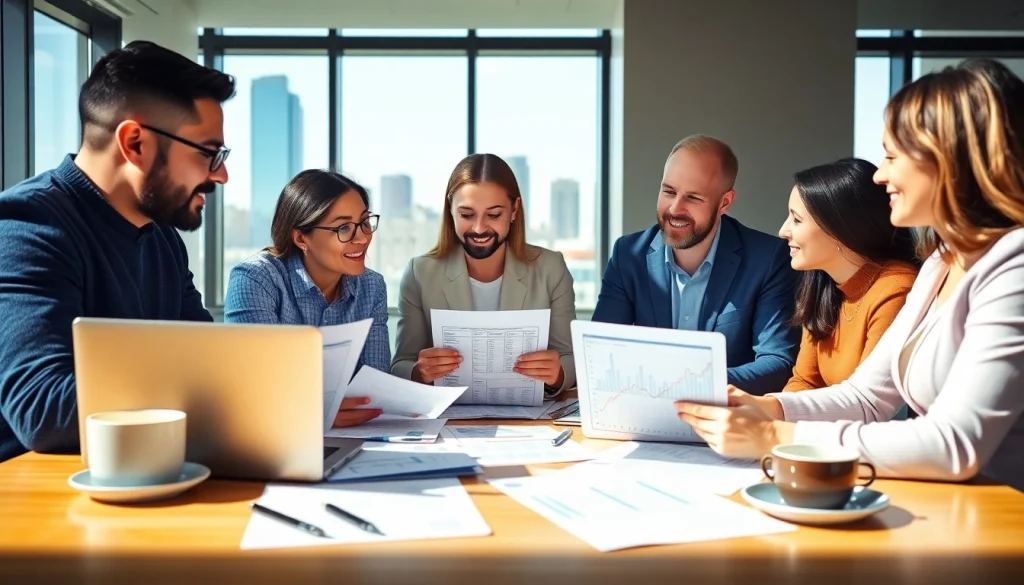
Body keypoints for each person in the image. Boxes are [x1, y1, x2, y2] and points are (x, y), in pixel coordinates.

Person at [676, 58, 1024, 491]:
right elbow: (865, 396)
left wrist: (775, 437)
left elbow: (954, 444)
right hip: (957, 508)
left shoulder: (1015, 268)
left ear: (949, 161)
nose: (880, 175)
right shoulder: (940, 263)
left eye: (892, 156)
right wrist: (768, 409)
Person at [0, 41, 235, 462]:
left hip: (147, 468)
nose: (221, 175)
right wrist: (219, 386)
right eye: (208, 153)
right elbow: (42, 409)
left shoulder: (163, 240)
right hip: (41, 497)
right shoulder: (27, 226)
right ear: (135, 143)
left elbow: (208, 357)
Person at [592, 135, 800, 395]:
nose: (675, 209)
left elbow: (778, 363)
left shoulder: (768, 259)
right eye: (668, 192)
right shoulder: (628, 255)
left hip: (723, 420)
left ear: (724, 202)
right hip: (645, 415)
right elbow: (599, 353)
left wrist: (687, 385)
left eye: (693, 198)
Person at [392, 153, 576, 396]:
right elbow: (400, 365)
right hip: (447, 420)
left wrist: (557, 373)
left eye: (494, 214)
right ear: (450, 211)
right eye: (467, 215)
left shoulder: (550, 268)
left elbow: (571, 359)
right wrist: (419, 371)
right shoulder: (420, 274)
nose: (479, 228)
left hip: (529, 421)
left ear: (514, 210)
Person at [224, 170, 388, 428]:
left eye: (365, 222)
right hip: (272, 437)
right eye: (344, 227)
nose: (363, 237)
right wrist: (313, 411)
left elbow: (376, 383)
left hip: (355, 434)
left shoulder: (372, 286)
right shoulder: (256, 279)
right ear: (301, 238)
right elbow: (251, 387)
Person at [780, 158, 919, 392]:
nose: (783, 231)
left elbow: (867, 400)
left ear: (838, 228)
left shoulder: (896, 288)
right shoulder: (822, 285)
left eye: (796, 219)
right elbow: (804, 380)